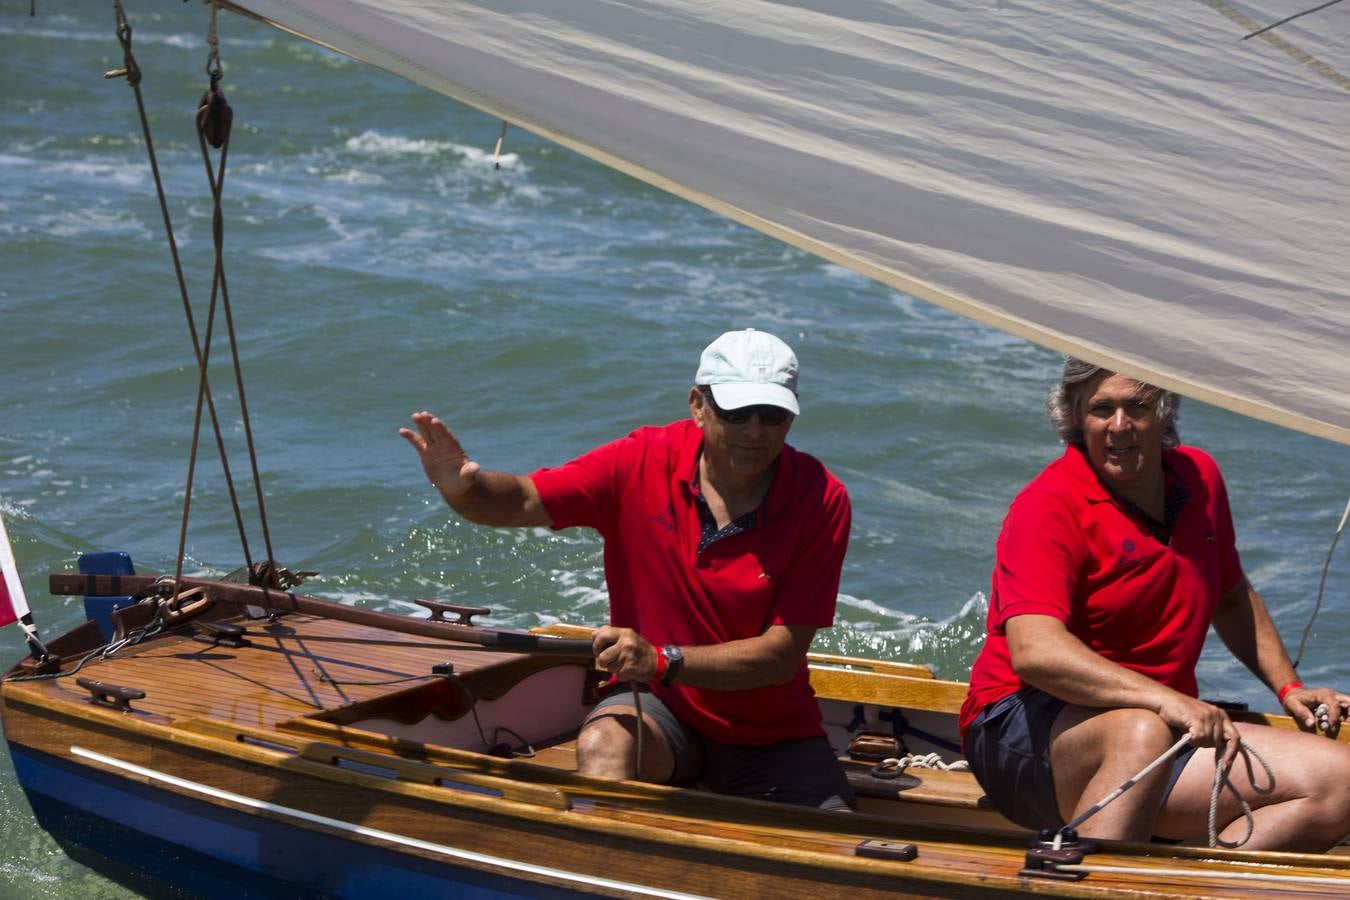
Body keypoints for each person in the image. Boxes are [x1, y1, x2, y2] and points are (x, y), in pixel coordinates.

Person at [400, 328, 856, 811]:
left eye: (774, 415)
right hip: (659, 713)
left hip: (771, 736)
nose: (755, 431)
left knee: (849, 859)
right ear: (698, 405)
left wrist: (663, 661)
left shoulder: (822, 499)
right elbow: (521, 500)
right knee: (604, 747)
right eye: (737, 412)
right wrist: (463, 491)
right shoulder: (639, 459)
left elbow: (779, 656)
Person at [959, 357, 1350, 850]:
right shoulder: (1048, 505)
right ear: (1076, 416)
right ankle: (1082, 880)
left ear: (1165, 411)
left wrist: (1288, 687)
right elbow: (1036, 652)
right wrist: (1164, 699)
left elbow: (1230, 596)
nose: (1118, 426)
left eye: (1136, 407)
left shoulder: (1200, 478)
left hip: (1160, 728)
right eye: (1101, 409)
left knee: (1340, 781)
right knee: (1140, 732)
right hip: (1019, 729)